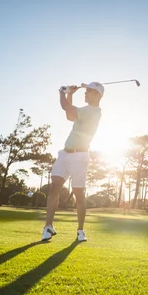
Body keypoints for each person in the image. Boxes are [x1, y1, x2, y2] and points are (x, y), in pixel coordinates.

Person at [41, 81, 104, 242]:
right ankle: (48, 226)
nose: (85, 93)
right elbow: (70, 115)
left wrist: (62, 92)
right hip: (65, 154)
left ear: (98, 95)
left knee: (78, 194)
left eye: (88, 91)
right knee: (54, 187)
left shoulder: (94, 112)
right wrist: (70, 95)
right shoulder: (85, 111)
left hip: (80, 156)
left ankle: (80, 230)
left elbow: (67, 108)